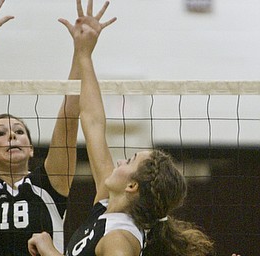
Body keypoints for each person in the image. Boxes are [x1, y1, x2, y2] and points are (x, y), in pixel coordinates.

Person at [28, 0, 216, 255]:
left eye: (129, 160)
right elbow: (93, 121)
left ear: (132, 186)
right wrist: (84, 52)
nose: (119, 162)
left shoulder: (121, 237)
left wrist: (50, 251)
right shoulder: (106, 205)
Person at [0, 0, 80, 255]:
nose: (12, 134)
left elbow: (70, 117)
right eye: (1, 133)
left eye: (19, 131)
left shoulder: (50, 186)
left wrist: (82, 51)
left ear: (32, 149)